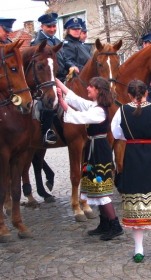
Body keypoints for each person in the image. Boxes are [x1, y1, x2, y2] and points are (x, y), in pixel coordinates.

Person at [111, 79, 151, 263]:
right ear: (146, 93)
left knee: (135, 199)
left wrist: (132, 137)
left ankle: (138, 250)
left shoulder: (122, 110)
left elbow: (116, 133)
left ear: (129, 95)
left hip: (132, 156)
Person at [55, 76, 124, 241]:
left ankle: (115, 225)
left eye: (91, 87)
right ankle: (104, 223)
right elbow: (77, 100)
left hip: (99, 150)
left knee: (101, 189)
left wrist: (61, 101)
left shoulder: (99, 111)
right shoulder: (94, 105)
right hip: (94, 149)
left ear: (98, 90)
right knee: (95, 186)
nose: (88, 89)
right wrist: (58, 82)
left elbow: (79, 117)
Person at [31, 12, 65, 145]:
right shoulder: (37, 43)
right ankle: (47, 131)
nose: (52, 29)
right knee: (48, 99)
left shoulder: (57, 41)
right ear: (42, 27)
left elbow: (65, 59)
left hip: (61, 76)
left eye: (54, 26)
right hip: (46, 79)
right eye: (48, 26)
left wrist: (72, 66)